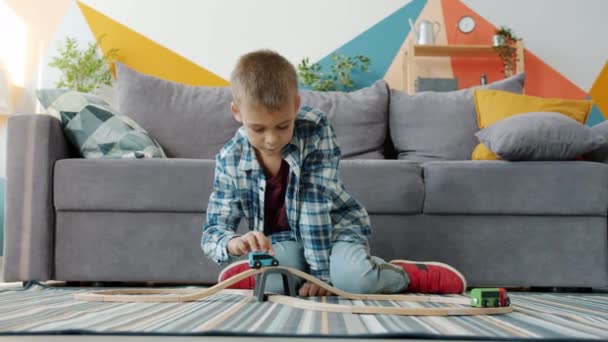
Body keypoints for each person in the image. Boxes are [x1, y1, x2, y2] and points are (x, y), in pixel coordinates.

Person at [201, 49, 466, 296]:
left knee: (353, 282)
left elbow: (313, 209)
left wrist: (323, 278)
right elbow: (214, 230)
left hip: (334, 231)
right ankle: (268, 274)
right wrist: (232, 242)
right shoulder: (229, 158)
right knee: (272, 284)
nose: (271, 139)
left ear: (296, 106)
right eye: (258, 129)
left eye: (282, 126)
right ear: (237, 112)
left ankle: (403, 274)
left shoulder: (315, 128)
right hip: (284, 242)